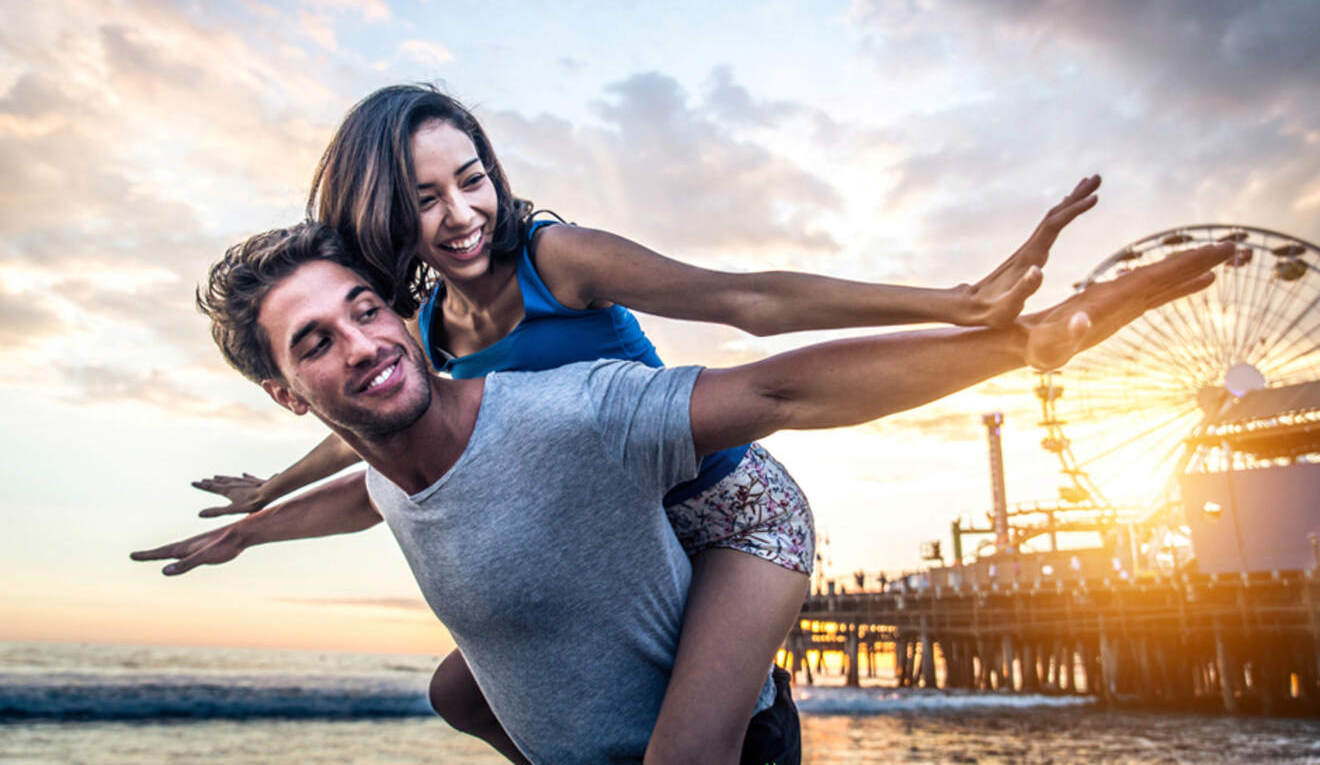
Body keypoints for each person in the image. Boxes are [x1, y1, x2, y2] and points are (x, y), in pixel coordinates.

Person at [189, 84, 1103, 762]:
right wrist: (272, 493)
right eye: (426, 199)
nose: (462, 214)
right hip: (635, 535)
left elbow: (744, 300)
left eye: (471, 180)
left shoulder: (557, 258)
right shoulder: (422, 333)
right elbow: (371, 446)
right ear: (387, 214)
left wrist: (959, 302)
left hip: (736, 514)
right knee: (462, 692)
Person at [134, 222, 1228, 763]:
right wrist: (255, 531)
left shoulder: (569, 413)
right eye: (318, 342)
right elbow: (370, 497)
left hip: (732, 734)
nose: (367, 342)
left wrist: (1026, 343)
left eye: (368, 306)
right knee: (453, 692)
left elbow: (785, 385)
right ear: (287, 392)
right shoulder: (386, 462)